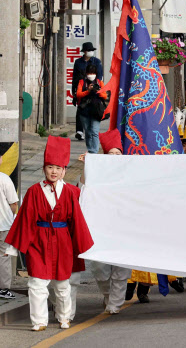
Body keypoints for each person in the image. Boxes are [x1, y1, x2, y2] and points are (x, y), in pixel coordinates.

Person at [3, 136, 94, 331]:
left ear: (64, 171)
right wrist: (12, 247)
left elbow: (79, 219)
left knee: (62, 285)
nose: (54, 171)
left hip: (63, 242)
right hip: (39, 242)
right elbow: (24, 221)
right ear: (44, 168)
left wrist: (82, 245)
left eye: (58, 168)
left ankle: (64, 317)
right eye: (50, 167)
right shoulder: (34, 191)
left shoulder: (70, 192)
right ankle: (39, 321)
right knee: (36, 283)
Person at [87, 129, 132, 315]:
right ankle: (108, 295)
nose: (114, 157)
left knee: (121, 271)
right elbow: (84, 190)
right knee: (100, 268)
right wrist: (86, 167)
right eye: (110, 154)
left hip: (126, 229)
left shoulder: (131, 174)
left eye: (117, 154)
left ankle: (115, 303)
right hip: (102, 228)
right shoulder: (96, 176)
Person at [71, 42, 102, 141]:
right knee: (80, 108)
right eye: (89, 50)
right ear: (84, 51)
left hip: (93, 89)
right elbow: (74, 77)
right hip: (81, 87)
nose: (91, 52)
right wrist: (74, 91)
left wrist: (97, 87)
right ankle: (79, 131)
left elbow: (100, 76)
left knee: (92, 107)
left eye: (92, 50)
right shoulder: (78, 62)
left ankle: (90, 129)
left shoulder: (96, 62)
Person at [75, 63, 108, 155]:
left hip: (96, 110)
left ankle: (94, 151)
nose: (91, 75)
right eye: (89, 72)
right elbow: (78, 95)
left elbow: (105, 96)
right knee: (88, 132)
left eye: (93, 73)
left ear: (96, 73)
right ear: (86, 73)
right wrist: (88, 91)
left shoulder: (99, 82)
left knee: (94, 131)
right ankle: (90, 150)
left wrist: (98, 91)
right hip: (84, 111)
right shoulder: (82, 82)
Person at [0, 170, 18, 301]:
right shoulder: (4, 179)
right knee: (3, 256)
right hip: (3, 224)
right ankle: (3, 289)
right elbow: (13, 204)